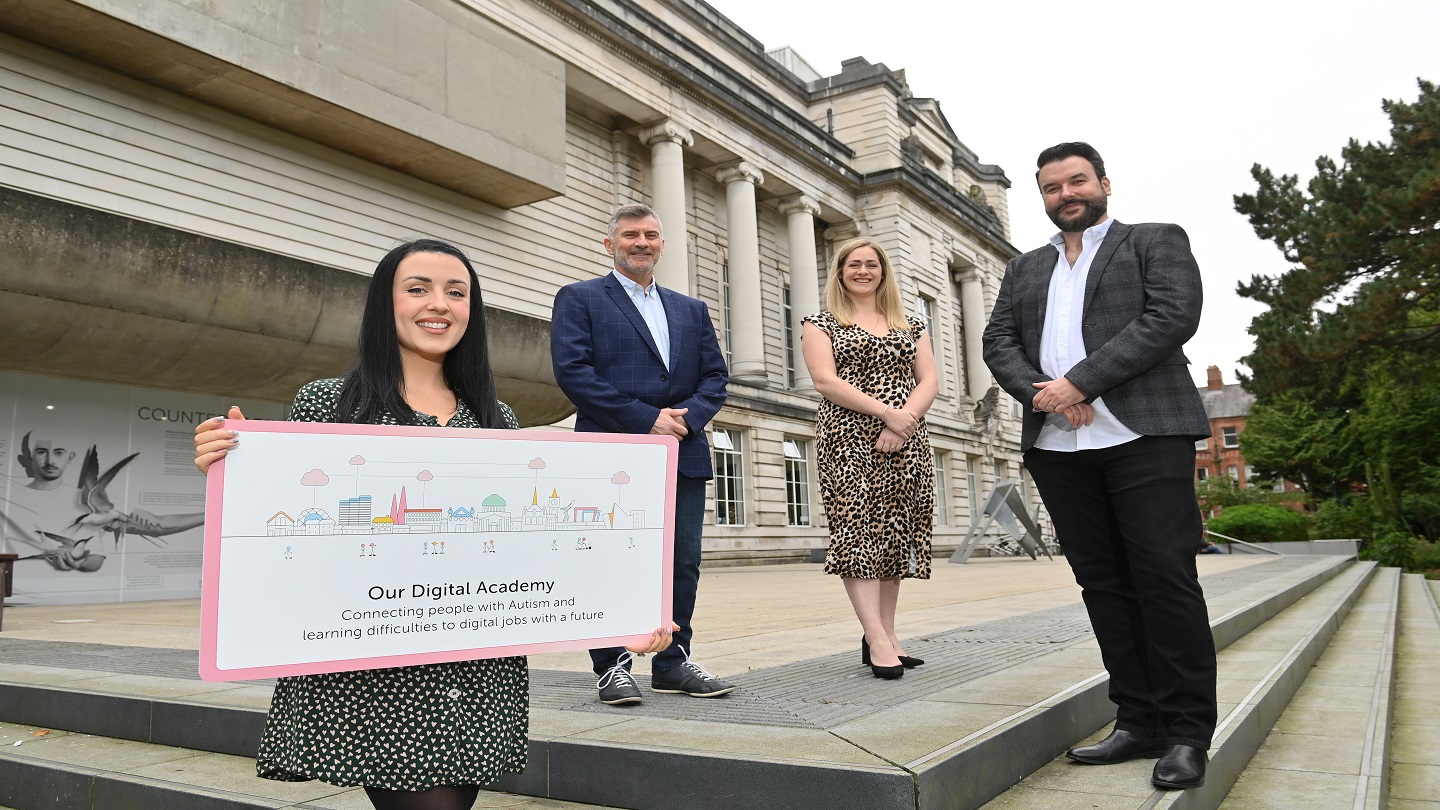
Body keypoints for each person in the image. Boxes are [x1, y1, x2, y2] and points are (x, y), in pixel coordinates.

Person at [193, 238, 674, 810]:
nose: (438, 304)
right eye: (417, 289)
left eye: (456, 292)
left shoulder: (497, 419)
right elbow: (289, 530)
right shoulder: (328, 404)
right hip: (374, 669)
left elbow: (540, 551)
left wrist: (622, 615)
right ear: (384, 303)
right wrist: (233, 460)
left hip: (476, 670)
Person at [982, 143, 1216, 790]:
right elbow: (997, 340)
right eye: (1052, 187)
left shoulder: (1153, 241)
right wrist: (1041, 392)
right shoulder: (1026, 267)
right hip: (1061, 447)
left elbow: (1171, 317)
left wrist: (1079, 383)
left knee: (1165, 580)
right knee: (1105, 587)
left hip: (1144, 434)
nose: (1066, 194)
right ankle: (1137, 719)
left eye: (1076, 181)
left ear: (1103, 183)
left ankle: (1188, 733)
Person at [550, 203, 734, 705]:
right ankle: (612, 666)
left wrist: (686, 418)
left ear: (662, 244)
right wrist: (645, 417)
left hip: (683, 451)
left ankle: (673, 662)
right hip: (613, 453)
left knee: (682, 562)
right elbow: (573, 371)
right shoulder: (581, 298)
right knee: (609, 561)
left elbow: (716, 377)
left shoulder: (691, 309)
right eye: (630, 235)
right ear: (610, 244)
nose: (642, 242)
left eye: (651, 235)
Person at [800, 238, 937, 680]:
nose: (863, 271)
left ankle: (888, 635)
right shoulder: (820, 323)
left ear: (883, 271)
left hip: (908, 440)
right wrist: (887, 415)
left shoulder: (911, 324)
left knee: (894, 535)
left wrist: (905, 422)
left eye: (871, 264)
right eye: (853, 264)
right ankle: (874, 637)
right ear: (840, 272)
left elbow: (930, 379)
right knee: (858, 535)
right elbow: (825, 381)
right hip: (847, 440)